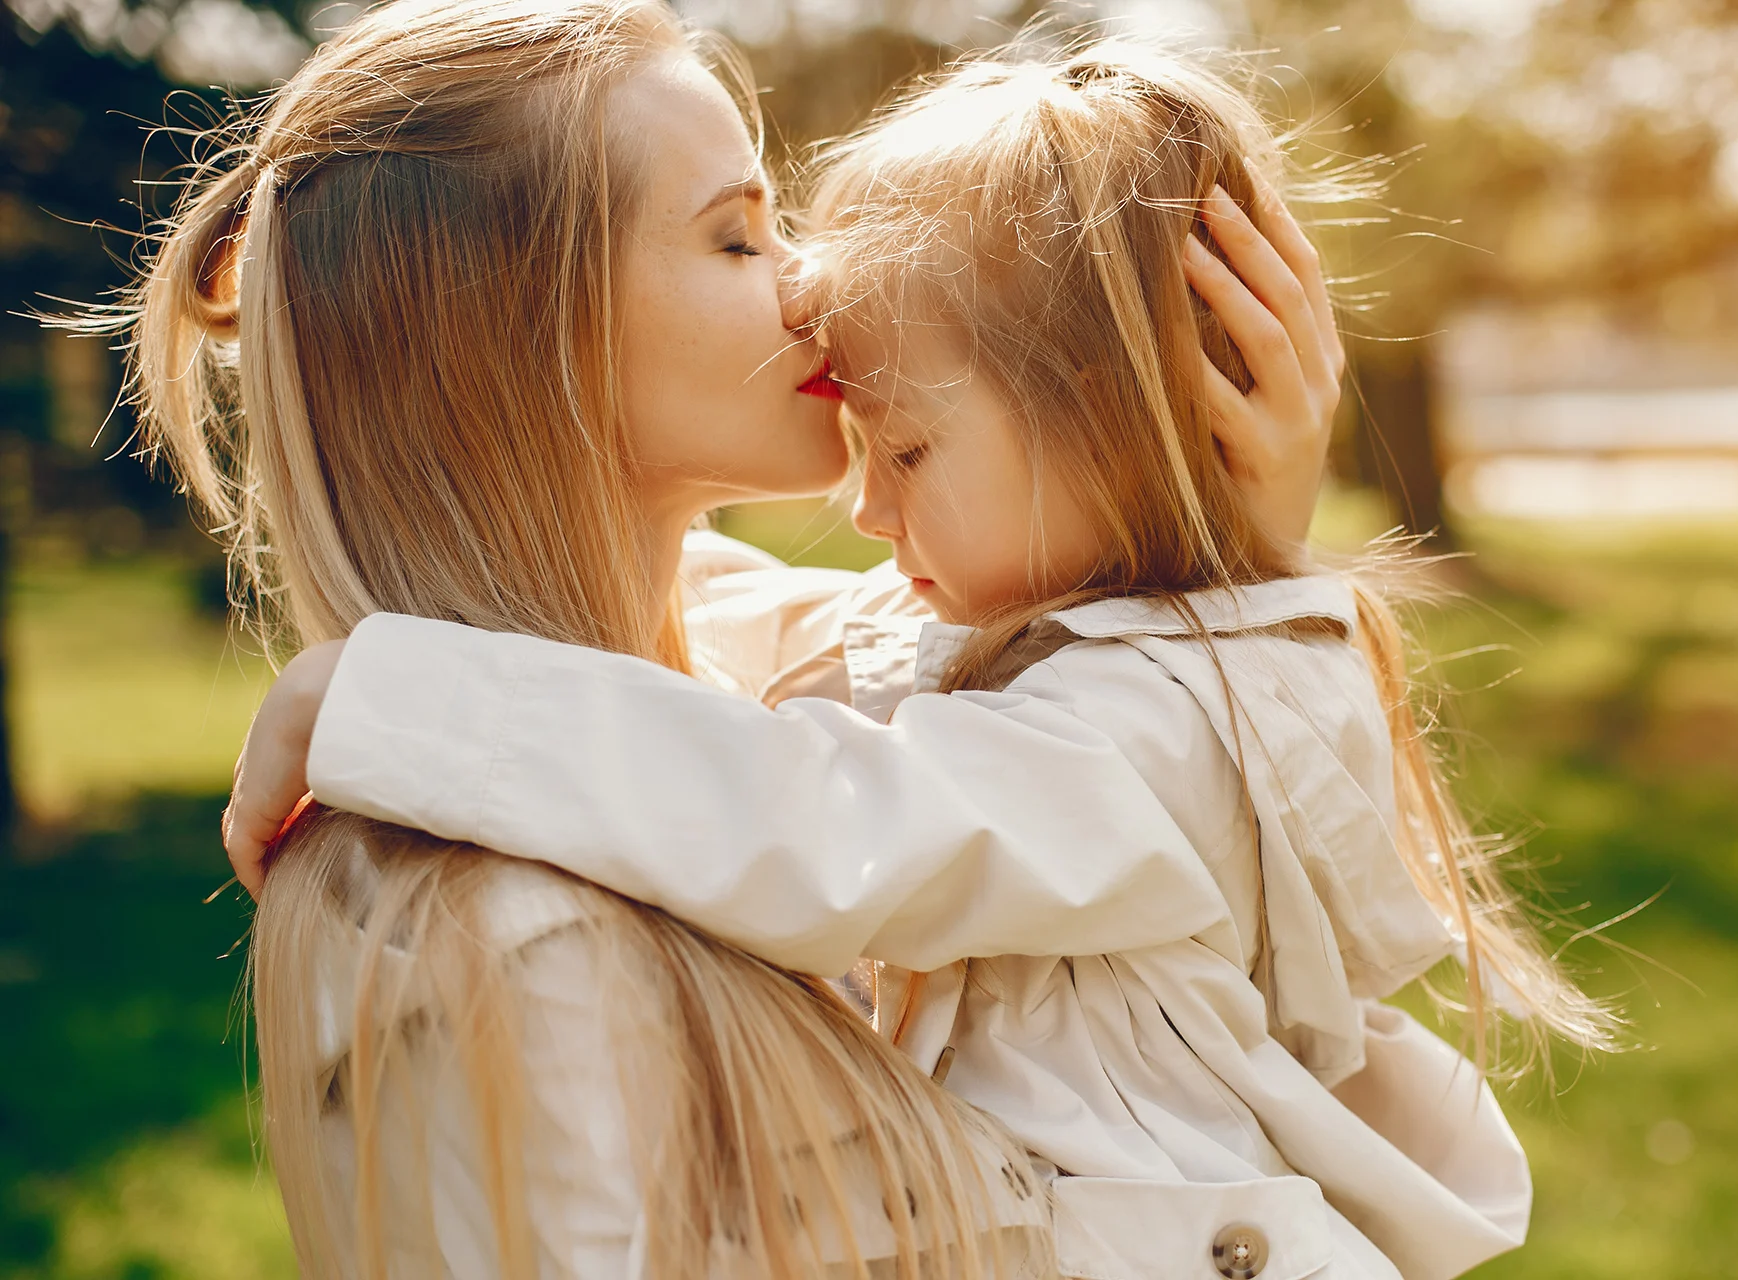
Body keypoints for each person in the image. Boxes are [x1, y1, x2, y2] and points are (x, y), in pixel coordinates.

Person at [226, 33, 1619, 1280]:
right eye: (735, 236)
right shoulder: (513, 946)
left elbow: (822, 777)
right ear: (520, 344)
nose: (811, 285)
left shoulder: (1096, 730)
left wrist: (1198, 520)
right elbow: (785, 742)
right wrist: (403, 700)